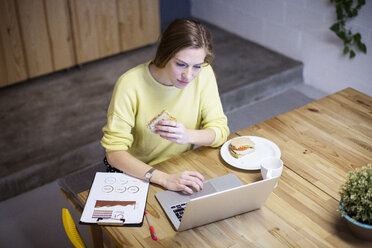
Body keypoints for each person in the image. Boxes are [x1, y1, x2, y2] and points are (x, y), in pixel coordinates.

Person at [101, 19, 229, 194]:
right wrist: (164, 179)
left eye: (196, 66)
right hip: (140, 173)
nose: (188, 75)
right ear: (165, 54)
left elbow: (220, 131)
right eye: (181, 64)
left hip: (179, 166)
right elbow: (114, 153)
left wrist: (187, 135)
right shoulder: (130, 84)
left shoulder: (204, 74)